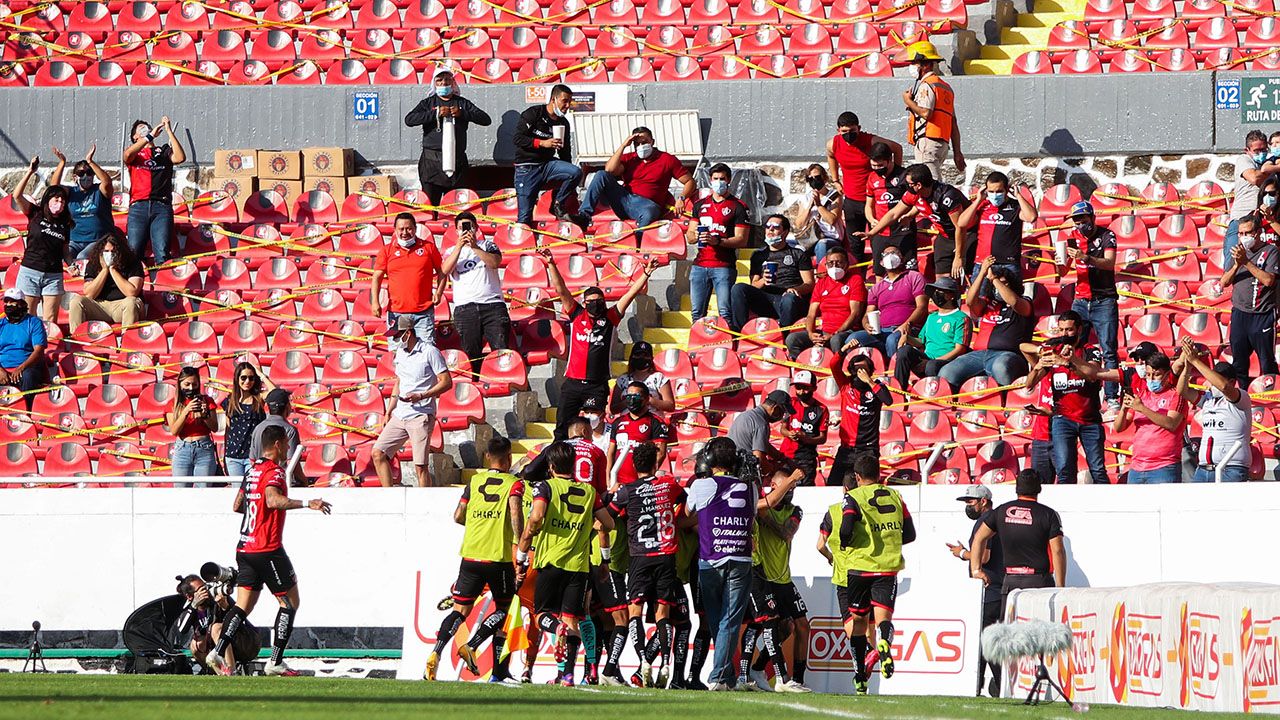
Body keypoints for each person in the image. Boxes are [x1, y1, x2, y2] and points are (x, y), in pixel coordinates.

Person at [207, 423, 332, 677]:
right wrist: (309, 502)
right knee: (289, 602)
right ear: (277, 445)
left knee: (242, 607)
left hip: (245, 548)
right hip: (267, 548)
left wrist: (257, 510)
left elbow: (238, 504)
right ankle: (275, 661)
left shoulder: (252, 471)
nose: (288, 448)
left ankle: (218, 651)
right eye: (286, 444)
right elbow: (273, 500)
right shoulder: (274, 472)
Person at [683, 437, 798, 690]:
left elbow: (687, 514)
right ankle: (725, 676)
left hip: (710, 559)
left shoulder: (702, 486)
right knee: (728, 621)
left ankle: (718, 677)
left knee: (718, 620)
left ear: (710, 460)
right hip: (740, 558)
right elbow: (758, 509)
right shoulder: (751, 489)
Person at [515, 441, 615, 687]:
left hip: (551, 562)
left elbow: (535, 518)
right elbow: (608, 524)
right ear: (573, 466)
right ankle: (568, 675)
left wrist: (524, 550)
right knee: (574, 621)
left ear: (550, 466)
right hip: (579, 567)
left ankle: (556, 629)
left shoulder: (546, 487)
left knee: (542, 615)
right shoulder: (590, 493)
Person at [425, 435, 523, 683]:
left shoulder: (474, 482)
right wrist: (520, 541)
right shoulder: (514, 484)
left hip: (469, 555)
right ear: (509, 457)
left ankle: (435, 652)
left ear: (487, 456)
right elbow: (514, 514)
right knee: (503, 608)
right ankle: (474, 646)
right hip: (497, 558)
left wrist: (479, 522)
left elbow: (458, 516)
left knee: (460, 610)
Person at [538, 246, 658, 440]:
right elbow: (561, 290)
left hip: (597, 384)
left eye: (599, 300)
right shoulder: (576, 314)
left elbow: (629, 296)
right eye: (591, 301)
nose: (596, 304)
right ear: (585, 303)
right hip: (573, 383)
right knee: (562, 428)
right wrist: (551, 263)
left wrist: (646, 273)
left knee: (593, 423)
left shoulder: (610, 318)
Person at [608, 442, 686, 686]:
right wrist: (675, 518)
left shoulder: (626, 491)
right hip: (665, 555)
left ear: (633, 465)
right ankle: (665, 663)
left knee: (635, 611)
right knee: (663, 613)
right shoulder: (669, 484)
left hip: (640, 557)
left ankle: (643, 659)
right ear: (656, 464)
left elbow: (608, 515)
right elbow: (685, 501)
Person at [838, 452, 916, 695]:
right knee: (883, 620)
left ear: (858, 477)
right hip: (887, 568)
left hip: (859, 568)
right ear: (879, 474)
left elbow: (846, 529)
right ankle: (883, 642)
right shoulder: (896, 495)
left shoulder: (853, 496)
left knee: (859, 624)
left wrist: (848, 541)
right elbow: (910, 534)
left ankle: (860, 677)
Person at [741, 471, 811, 693]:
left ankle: (793, 677)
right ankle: (748, 673)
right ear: (773, 486)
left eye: (792, 489)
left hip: (783, 578)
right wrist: (762, 513)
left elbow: (786, 533)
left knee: (798, 626)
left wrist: (766, 518)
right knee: (759, 625)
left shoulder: (794, 511)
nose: (790, 493)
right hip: (763, 576)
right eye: (786, 488)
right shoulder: (759, 505)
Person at [1030, 310, 1110, 484]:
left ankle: (1106, 507)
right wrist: (1038, 366)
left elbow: (1093, 374)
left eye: (1069, 330)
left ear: (1079, 330)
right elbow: (1029, 383)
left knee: (1097, 469)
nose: (1064, 334)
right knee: (1065, 469)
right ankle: (1066, 509)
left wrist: (1070, 361)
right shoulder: (1053, 352)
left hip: (1089, 419)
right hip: (1063, 419)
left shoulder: (1090, 350)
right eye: (1061, 330)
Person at [373, 315, 453, 487]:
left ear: (408, 333)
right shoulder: (400, 354)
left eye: (397, 335)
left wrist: (423, 395)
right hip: (400, 414)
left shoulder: (430, 352)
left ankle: (424, 506)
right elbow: (399, 382)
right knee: (378, 453)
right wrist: (389, 411)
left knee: (420, 467)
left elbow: (446, 382)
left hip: (420, 414)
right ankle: (390, 497)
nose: (394, 340)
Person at [970, 469, 1065, 613]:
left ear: (1017, 488)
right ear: (1039, 488)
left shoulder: (1002, 511)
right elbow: (1057, 551)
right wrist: (1060, 587)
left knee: (1010, 632)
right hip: (1039, 582)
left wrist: (976, 570)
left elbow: (979, 538)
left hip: (1011, 581)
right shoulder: (1048, 514)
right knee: (1040, 631)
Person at [1060, 201, 1121, 411]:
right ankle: (1076, 391)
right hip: (1080, 299)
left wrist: (1086, 258)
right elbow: (1061, 272)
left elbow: (1109, 262)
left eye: (1083, 220)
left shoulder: (1107, 235)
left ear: (1092, 217)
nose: (1079, 225)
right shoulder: (1071, 239)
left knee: (1109, 350)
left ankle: (1112, 397)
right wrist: (1062, 259)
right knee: (1074, 346)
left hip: (1104, 300)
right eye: (1076, 221)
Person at [938, 257, 1032, 391]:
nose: (999, 287)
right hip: (979, 355)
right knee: (947, 372)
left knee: (1001, 367)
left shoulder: (1024, 302)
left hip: (1007, 355)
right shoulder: (988, 303)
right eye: (996, 285)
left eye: (1004, 284)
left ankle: (1005, 404)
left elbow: (1014, 302)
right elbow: (970, 302)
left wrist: (994, 279)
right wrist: (982, 273)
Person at [404, 67, 492, 210]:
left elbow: (485, 119)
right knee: (430, 206)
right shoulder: (428, 103)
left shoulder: (462, 103)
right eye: (439, 80)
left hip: (457, 161)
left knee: (457, 205)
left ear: (452, 82)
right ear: (434, 83)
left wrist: (463, 113)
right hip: (431, 162)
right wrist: (435, 114)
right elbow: (409, 119)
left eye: (447, 80)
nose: (444, 83)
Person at [946, 485, 1003, 698]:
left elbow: (984, 557)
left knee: (985, 643)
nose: (968, 506)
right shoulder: (991, 520)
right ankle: (984, 685)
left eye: (971, 501)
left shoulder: (986, 522)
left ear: (984, 501)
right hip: (994, 590)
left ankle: (995, 684)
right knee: (983, 643)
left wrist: (962, 553)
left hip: (990, 591)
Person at [581, 126, 695, 229]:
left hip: (648, 204)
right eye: (637, 144)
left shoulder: (667, 159)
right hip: (625, 199)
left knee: (648, 213)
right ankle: (584, 216)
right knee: (601, 175)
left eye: (644, 142)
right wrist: (623, 145)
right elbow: (609, 170)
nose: (641, 146)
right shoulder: (629, 158)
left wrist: (682, 198)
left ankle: (638, 245)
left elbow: (689, 181)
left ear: (652, 142)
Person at [439, 211, 509, 377]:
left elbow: (495, 263)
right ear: (456, 230)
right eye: (461, 228)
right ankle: (476, 385)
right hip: (465, 308)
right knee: (471, 353)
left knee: (501, 349)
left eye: (469, 227)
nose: (466, 231)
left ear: (476, 228)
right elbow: (445, 270)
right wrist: (459, 246)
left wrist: (475, 247)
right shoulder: (450, 251)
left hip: (492, 305)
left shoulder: (487, 245)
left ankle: (503, 381)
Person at [825, 111, 902, 260]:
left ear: (859, 128)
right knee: (855, 244)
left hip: (873, 200)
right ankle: (859, 276)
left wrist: (894, 175)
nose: (849, 135)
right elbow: (830, 156)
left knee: (877, 240)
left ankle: (880, 274)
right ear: (838, 130)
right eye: (844, 132)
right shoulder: (833, 144)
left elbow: (897, 148)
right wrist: (835, 180)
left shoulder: (871, 141)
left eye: (852, 131)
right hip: (851, 200)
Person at [1178, 338, 1251, 483]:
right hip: (1204, 468)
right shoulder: (1208, 399)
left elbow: (1224, 387)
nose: (1212, 384)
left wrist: (1196, 361)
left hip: (1231, 468)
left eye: (1215, 379)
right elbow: (1182, 391)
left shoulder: (1241, 398)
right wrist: (1188, 366)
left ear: (1232, 382)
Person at [687, 163, 751, 323]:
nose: (719, 182)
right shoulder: (699, 205)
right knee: (696, 313)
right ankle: (698, 345)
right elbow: (689, 235)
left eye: (722, 178)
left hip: (723, 266)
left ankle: (728, 345)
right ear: (710, 180)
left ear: (728, 180)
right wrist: (696, 236)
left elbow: (742, 239)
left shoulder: (738, 206)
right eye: (715, 178)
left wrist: (718, 241)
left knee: (725, 312)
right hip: (699, 265)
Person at [513, 84, 584, 227]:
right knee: (524, 218)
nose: (568, 105)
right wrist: (542, 143)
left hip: (547, 165)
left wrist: (571, 187)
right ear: (553, 99)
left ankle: (557, 204)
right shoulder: (534, 113)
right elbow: (517, 139)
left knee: (575, 172)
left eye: (570, 101)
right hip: (527, 167)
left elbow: (565, 152)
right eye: (565, 101)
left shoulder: (563, 122)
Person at [729, 215, 814, 333]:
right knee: (738, 288)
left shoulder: (798, 254)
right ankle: (740, 332)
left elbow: (809, 283)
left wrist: (795, 289)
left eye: (775, 227)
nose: (770, 230)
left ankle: (784, 335)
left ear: (785, 232)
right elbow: (754, 285)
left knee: (788, 298)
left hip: (789, 300)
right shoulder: (758, 255)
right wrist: (764, 280)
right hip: (766, 299)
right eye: (768, 227)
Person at [13, 156, 72, 323]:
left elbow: (65, 250)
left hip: (53, 275)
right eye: (56, 199)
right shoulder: (35, 213)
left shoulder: (64, 223)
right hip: (30, 271)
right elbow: (17, 195)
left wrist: (71, 264)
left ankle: (47, 348)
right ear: (48, 199)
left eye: (63, 201)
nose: (60, 203)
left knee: (50, 320)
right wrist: (30, 172)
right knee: (28, 317)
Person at [1221, 213, 1279, 383]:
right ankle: (1243, 397)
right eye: (1241, 233)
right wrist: (1237, 264)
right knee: (1239, 363)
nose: (1244, 237)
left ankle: (1273, 397)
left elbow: (1269, 280)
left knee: (1267, 361)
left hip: (1262, 314)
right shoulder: (1237, 252)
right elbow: (1224, 281)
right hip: (1240, 314)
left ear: (1258, 232)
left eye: (1248, 233)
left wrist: (1246, 262)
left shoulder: (1271, 251)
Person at [1114, 352, 1188, 484]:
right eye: (1148, 375)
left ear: (1166, 374)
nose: (1151, 378)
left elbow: (1171, 423)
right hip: (1136, 467)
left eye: (1156, 374)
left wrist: (1142, 408)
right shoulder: (1141, 395)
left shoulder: (1176, 396)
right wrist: (1124, 409)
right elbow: (1119, 428)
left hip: (1164, 467)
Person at [372, 213, 444, 346]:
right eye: (401, 229)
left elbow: (442, 271)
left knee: (426, 352)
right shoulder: (386, 251)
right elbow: (377, 277)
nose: (405, 232)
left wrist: (438, 293)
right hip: (397, 312)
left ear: (415, 229)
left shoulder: (428, 247)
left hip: (423, 312)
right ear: (395, 230)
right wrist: (375, 302)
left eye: (409, 228)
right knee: (398, 354)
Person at [845, 244, 927, 360]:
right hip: (881, 331)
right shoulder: (877, 287)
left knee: (892, 340)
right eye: (886, 255)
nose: (890, 256)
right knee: (852, 338)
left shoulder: (914, 277)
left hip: (907, 329)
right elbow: (868, 314)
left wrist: (906, 324)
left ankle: (894, 373)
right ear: (881, 262)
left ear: (902, 259)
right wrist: (866, 324)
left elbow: (922, 307)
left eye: (894, 253)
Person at [956, 171, 1037, 288]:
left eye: (999, 191)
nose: (995, 195)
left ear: (1007, 190)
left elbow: (1031, 217)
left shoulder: (1016, 207)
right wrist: (979, 199)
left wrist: (1018, 196)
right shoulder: (983, 206)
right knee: (977, 302)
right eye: (991, 191)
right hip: (983, 264)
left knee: (1011, 302)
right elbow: (961, 223)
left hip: (1008, 265)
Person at [123, 115, 185, 264]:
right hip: (139, 206)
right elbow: (127, 156)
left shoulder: (163, 151)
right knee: (133, 252)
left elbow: (180, 157)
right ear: (135, 136)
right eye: (141, 129)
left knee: (162, 253)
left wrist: (169, 130)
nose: (146, 130)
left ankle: (161, 284)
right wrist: (149, 136)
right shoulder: (135, 153)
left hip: (161, 207)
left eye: (147, 127)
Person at [784, 246, 865, 359]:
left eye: (839, 263)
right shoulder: (821, 283)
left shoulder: (855, 280)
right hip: (824, 331)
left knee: (836, 340)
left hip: (845, 331)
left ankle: (838, 370)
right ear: (826, 265)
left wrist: (835, 333)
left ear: (846, 264)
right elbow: (811, 314)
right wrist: (811, 334)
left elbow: (855, 313)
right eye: (830, 263)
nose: (834, 266)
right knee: (792, 339)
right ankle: (803, 369)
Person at [901, 40, 965, 180]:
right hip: (941, 144)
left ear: (925, 64)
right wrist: (957, 152)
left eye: (914, 63)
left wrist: (908, 101)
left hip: (928, 142)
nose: (911, 66)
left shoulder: (926, 85)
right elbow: (953, 123)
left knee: (930, 184)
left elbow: (926, 113)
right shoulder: (945, 87)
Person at [826, 350, 892, 482]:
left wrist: (869, 381)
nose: (860, 372)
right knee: (833, 485)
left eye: (863, 369)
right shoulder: (846, 386)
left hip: (868, 449)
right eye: (857, 369)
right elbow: (833, 365)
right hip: (846, 449)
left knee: (868, 486)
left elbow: (888, 401)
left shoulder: (877, 387)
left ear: (870, 371)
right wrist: (843, 350)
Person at [892, 276, 968, 390]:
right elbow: (921, 341)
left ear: (951, 295)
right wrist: (907, 338)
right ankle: (899, 390)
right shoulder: (932, 317)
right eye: (935, 291)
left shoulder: (961, 318)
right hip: (927, 358)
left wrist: (933, 361)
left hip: (948, 362)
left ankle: (932, 392)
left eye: (940, 291)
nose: (936, 294)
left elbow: (959, 349)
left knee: (931, 365)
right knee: (904, 351)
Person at [176, 574, 260, 675]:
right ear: (190, 596)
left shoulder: (218, 597)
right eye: (201, 590)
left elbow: (240, 619)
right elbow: (182, 629)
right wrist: (194, 605)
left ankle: (231, 671)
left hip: (246, 642)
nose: (206, 591)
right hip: (218, 649)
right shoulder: (191, 609)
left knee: (216, 628)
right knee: (195, 644)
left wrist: (225, 607)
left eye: (205, 586)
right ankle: (217, 673)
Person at [67, 233, 145, 329]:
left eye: (113, 251)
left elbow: (132, 292)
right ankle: (77, 339)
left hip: (122, 304)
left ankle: (127, 339)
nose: (110, 254)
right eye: (106, 251)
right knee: (76, 301)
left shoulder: (133, 262)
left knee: (131, 302)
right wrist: (104, 270)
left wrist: (113, 270)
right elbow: (89, 294)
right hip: (100, 306)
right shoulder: (93, 264)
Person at [606, 382, 670, 488]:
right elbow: (610, 453)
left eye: (636, 396)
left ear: (646, 399)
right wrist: (608, 479)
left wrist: (646, 476)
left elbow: (661, 453)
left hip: (641, 483)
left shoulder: (655, 422)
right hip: (618, 483)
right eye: (629, 396)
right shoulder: (618, 422)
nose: (631, 399)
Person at [865, 142, 916, 275]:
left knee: (909, 270)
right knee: (879, 272)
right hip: (880, 232)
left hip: (902, 231)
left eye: (880, 165)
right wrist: (871, 219)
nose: (877, 168)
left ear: (889, 161)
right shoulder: (871, 178)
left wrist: (909, 215)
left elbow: (917, 201)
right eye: (873, 165)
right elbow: (868, 205)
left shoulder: (904, 176)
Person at [1227, 130, 1280, 253]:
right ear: (1247, 150)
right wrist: (1272, 169)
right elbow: (1254, 178)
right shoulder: (1244, 160)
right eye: (1256, 151)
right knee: (1235, 259)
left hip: (1266, 221)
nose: (1261, 153)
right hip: (1242, 220)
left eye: (1264, 149)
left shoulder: (1271, 162)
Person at [61, 143, 114, 260]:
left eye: (89, 173)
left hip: (98, 239)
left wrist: (90, 162)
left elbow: (107, 182)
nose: (86, 176)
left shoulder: (99, 190)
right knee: (63, 257)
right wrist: (62, 163)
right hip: (75, 240)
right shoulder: (71, 192)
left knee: (82, 257)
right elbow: (54, 188)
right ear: (75, 177)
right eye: (81, 173)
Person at [166, 367, 219, 480]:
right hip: (182, 448)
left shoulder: (207, 400)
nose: (191, 388)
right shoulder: (173, 404)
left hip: (204, 447)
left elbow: (215, 428)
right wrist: (186, 411)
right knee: (181, 490)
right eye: (187, 384)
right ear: (180, 385)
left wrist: (205, 416)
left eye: (194, 384)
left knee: (203, 490)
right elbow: (174, 431)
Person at [726, 388, 794, 477]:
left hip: (731, 468)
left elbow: (762, 444)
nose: (781, 417)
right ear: (775, 408)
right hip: (743, 473)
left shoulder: (746, 415)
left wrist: (780, 457)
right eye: (782, 413)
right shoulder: (761, 424)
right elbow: (759, 460)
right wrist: (774, 469)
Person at [779, 370, 828, 486]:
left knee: (804, 491)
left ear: (814, 388)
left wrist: (807, 439)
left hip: (807, 459)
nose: (801, 392)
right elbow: (783, 428)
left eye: (805, 388)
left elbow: (823, 438)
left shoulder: (821, 409)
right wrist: (789, 434)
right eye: (798, 388)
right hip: (786, 456)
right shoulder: (790, 403)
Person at [221, 362, 269, 480]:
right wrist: (224, 456)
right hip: (233, 456)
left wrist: (261, 375)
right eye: (243, 378)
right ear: (237, 379)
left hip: (253, 456)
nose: (247, 381)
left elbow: (275, 393)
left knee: (251, 490)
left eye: (251, 378)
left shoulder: (259, 399)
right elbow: (227, 432)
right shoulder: (230, 401)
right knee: (238, 492)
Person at [0, 287, 48, 402]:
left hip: (26, 368)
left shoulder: (34, 323)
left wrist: (21, 368)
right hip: (3, 368)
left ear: (21, 304)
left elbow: (38, 351)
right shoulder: (1, 324)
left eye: (12, 301)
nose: (8, 304)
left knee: (28, 376)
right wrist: (0, 371)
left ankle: (27, 408)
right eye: (6, 301)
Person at [249, 388, 305, 487]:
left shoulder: (257, 428)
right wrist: (304, 481)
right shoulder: (290, 430)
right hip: (281, 483)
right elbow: (292, 463)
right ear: (287, 406)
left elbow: (252, 460)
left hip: (261, 482)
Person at [793, 164, 844, 261]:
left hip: (829, 237)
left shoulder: (835, 196)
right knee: (795, 248)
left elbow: (832, 220)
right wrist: (809, 207)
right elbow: (799, 224)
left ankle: (821, 273)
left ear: (824, 178)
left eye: (817, 177)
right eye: (810, 179)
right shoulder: (805, 198)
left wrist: (819, 205)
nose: (814, 181)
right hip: (810, 238)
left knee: (822, 245)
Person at [609, 341, 676, 415]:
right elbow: (613, 409)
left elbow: (670, 406)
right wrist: (629, 401)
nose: (641, 358)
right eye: (638, 355)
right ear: (631, 357)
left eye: (645, 355)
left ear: (651, 358)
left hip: (652, 421)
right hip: (627, 422)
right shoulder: (622, 379)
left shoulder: (659, 378)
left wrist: (647, 400)